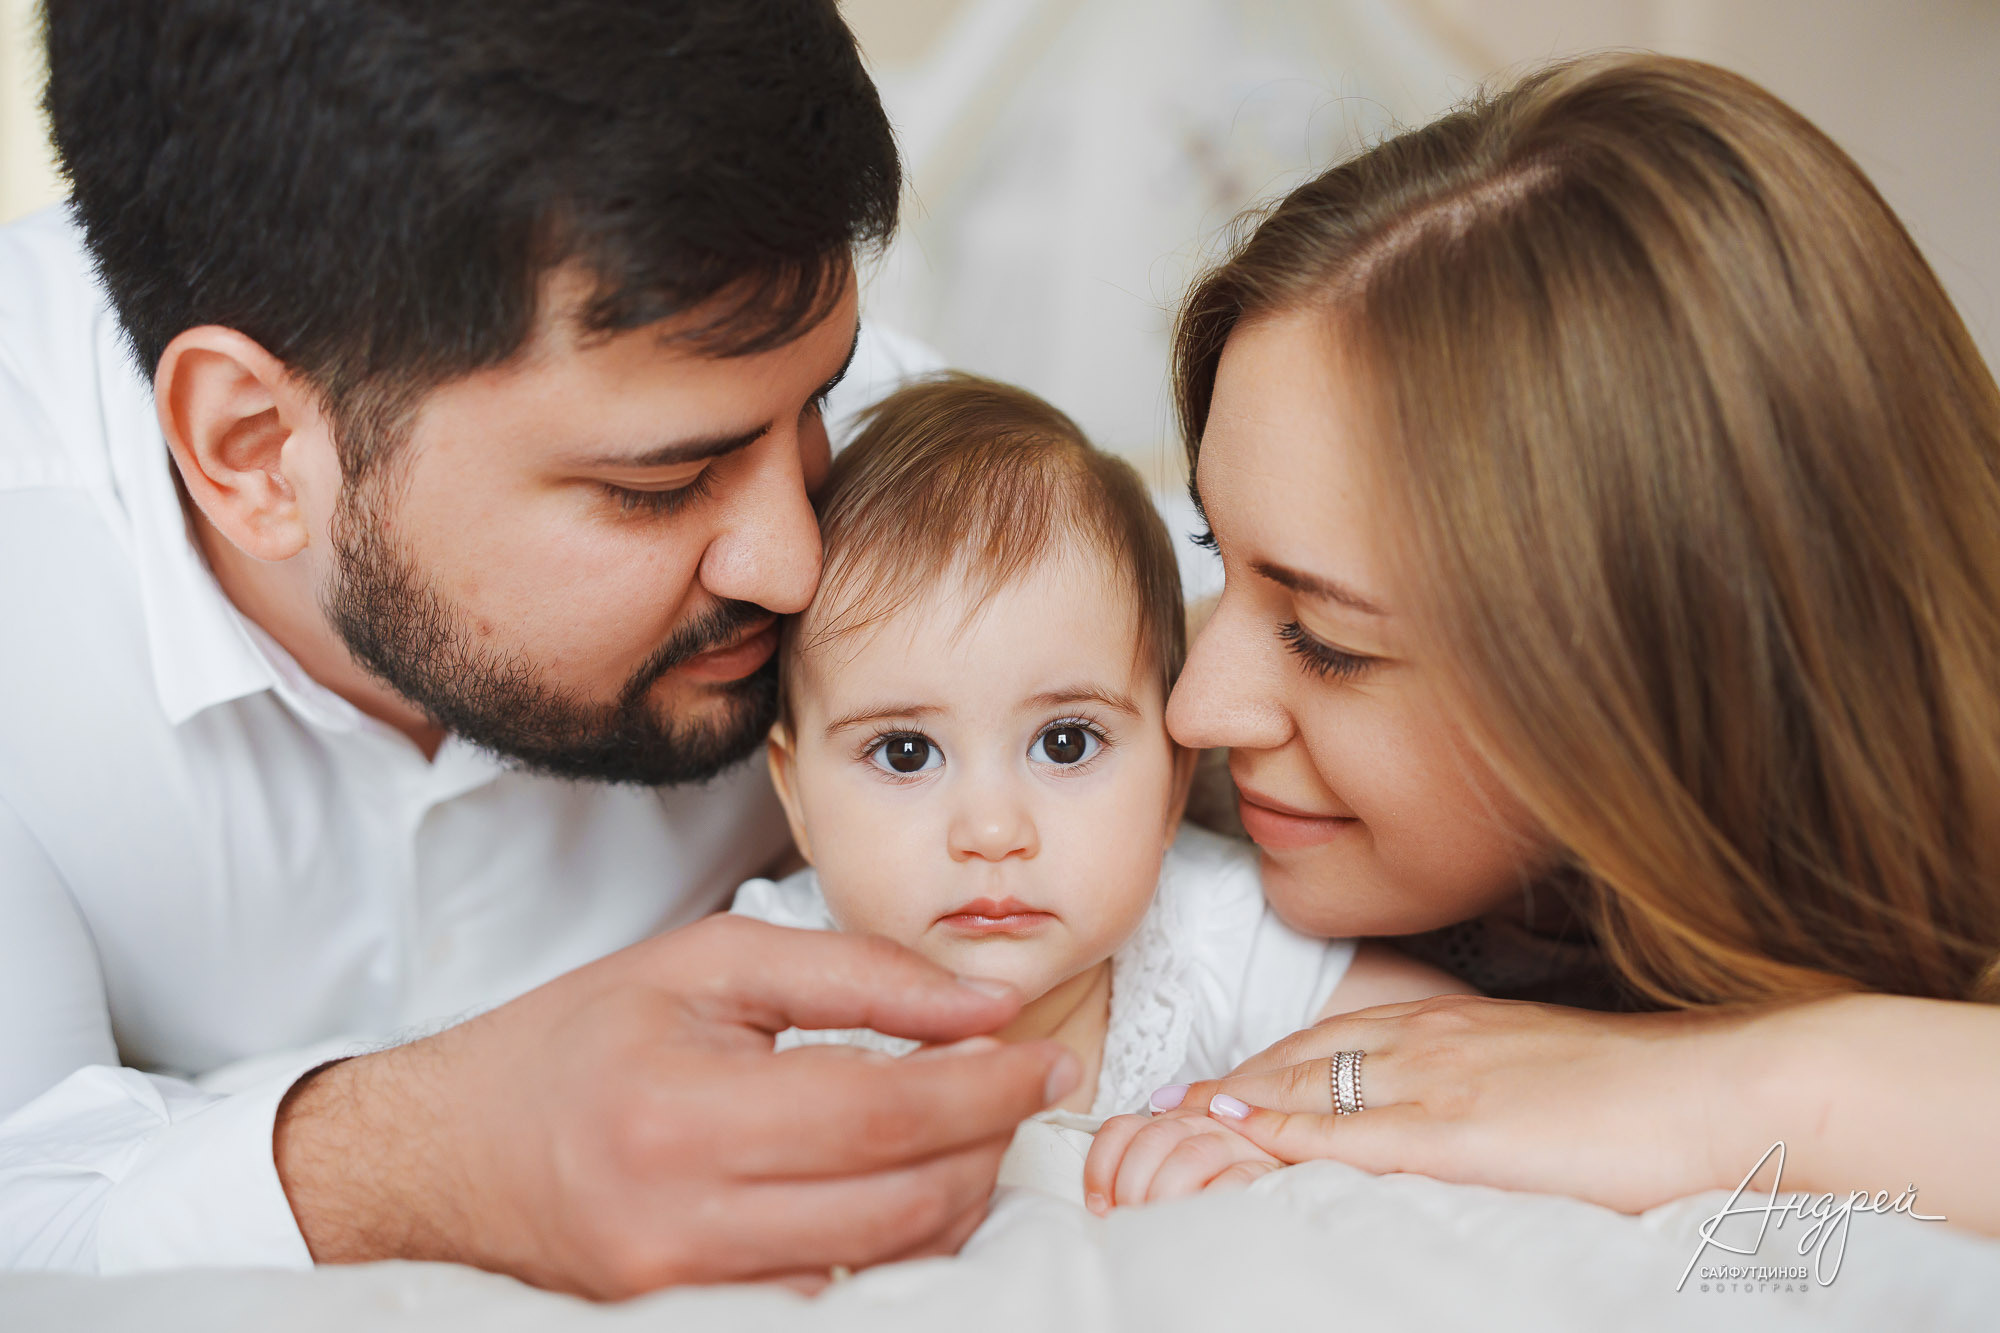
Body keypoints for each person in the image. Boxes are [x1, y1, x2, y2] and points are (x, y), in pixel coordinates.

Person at [0, 1, 1078, 1295]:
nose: (796, 565)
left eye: (816, 404)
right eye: (658, 486)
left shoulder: (840, 430)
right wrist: (424, 1157)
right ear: (257, 450)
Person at [1083, 52, 2000, 1230]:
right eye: (1217, 550)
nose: (1193, 708)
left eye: (1325, 639)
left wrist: (1692, 1088)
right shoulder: (1124, 790)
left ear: (1668, 660)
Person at [727, 374, 1465, 1131]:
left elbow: (1456, 1057)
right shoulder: (759, 979)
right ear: (798, 799)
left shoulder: (1216, 935)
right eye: (907, 753)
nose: (992, 831)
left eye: (1065, 743)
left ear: (1171, 787)